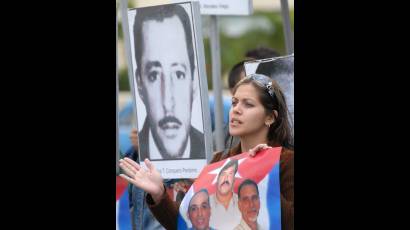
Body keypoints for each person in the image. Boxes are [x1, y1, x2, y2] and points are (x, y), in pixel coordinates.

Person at [119, 73, 294, 230]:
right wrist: (159, 194)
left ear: (270, 117)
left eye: (248, 104)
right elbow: (188, 224)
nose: (236, 110)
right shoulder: (220, 160)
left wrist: (261, 170)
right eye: (234, 102)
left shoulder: (286, 161)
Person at [133, 4, 205, 160]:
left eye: (179, 74)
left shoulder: (214, 161)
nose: (168, 102)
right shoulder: (129, 163)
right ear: (139, 83)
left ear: (193, 82)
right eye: (154, 76)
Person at [208, 159, 241, 229]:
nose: (226, 178)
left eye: (230, 174)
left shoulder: (243, 203)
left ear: (234, 180)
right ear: (217, 179)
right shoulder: (205, 204)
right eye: (223, 174)